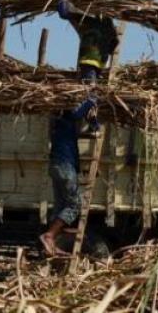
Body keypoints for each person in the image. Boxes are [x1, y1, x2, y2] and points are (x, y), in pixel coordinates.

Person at [39, 97, 97, 256]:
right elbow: (78, 113)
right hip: (65, 167)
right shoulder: (66, 119)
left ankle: (52, 242)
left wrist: (94, 123)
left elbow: (84, 120)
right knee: (74, 204)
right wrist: (92, 99)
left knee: (61, 205)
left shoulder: (58, 123)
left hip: (56, 166)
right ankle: (49, 236)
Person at [56, 0, 119, 83]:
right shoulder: (109, 25)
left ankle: (90, 97)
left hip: (89, 60)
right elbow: (115, 42)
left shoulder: (89, 19)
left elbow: (65, 12)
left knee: (90, 87)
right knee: (91, 85)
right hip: (100, 62)